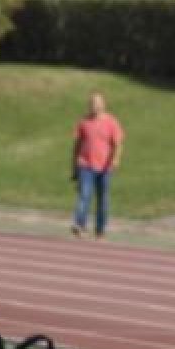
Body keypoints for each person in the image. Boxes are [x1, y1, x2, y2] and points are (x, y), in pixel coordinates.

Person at [70, 91, 123, 239]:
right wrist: (75, 165)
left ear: (103, 104)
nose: (94, 106)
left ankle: (100, 230)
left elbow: (118, 144)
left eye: (97, 103)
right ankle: (79, 225)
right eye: (92, 103)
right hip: (85, 165)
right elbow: (77, 145)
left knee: (102, 199)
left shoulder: (112, 122)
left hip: (105, 167)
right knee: (84, 195)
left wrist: (115, 159)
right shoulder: (83, 122)